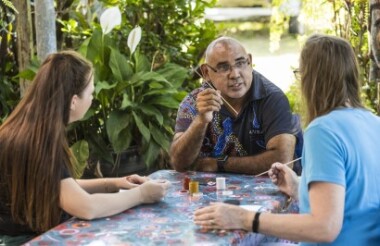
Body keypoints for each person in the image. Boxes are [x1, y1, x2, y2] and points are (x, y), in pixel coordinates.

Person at [194, 34, 380, 245]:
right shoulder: (375, 123)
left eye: (300, 73)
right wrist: (298, 188)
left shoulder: (323, 131)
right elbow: (353, 201)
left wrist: (244, 218)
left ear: (312, 80)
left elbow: (324, 227)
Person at [0, 51, 170, 245]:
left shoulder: (26, 128)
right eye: (90, 92)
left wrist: (115, 183)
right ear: (73, 101)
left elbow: (59, 186)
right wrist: (141, 195)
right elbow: (86, 207)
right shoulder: (42, 142)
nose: (92, 98)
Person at [170, 36, 302, 175]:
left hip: (269, 190)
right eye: (223, 67)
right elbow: (179, 164)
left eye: (240, 63)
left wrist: (220, 164)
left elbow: (283, 161)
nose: (235, 74)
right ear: (206, 72)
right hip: (210, 193)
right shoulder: (194, 102)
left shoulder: (272, 98)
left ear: (250, 62)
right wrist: (201, 120)